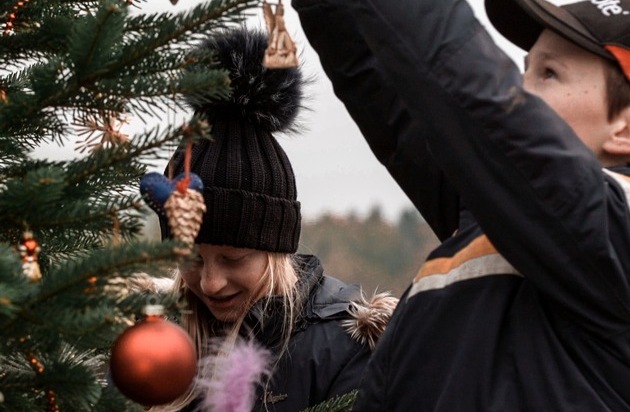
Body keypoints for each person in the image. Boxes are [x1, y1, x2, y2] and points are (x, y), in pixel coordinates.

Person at [291, 0, 630, 410]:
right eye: (524, 69)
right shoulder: (495, 222)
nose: (521, 90)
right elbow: (391, 95)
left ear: (624, 127)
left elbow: (467, 85)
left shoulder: (609, 231)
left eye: (549, 74)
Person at [155, 26, 398, 412]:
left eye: (233, 258)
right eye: (192, 259)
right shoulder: (149, 343)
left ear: (276, 249)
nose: (211, 282)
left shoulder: (345, 348)